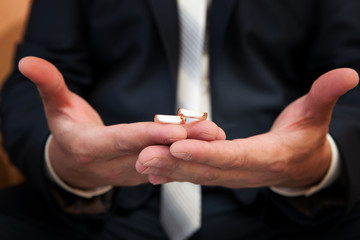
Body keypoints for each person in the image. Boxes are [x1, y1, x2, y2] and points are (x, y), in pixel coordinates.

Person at [0, 0, 360, 239]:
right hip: (104, 202)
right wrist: (65, 161)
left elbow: (350, 75)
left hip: (286, 203)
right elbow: (37, 81)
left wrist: (321, 160)